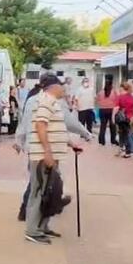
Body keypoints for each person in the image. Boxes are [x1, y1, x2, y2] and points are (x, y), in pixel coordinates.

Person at [14, 73, 92, 222]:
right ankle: (44, 213)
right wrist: (85, 133)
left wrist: (19, 140)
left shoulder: (31, 100)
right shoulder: (50, 101)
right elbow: (66, 122)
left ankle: (32, 212)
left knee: (38, 182)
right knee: (48, 183)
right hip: (44, 148)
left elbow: (25, 123)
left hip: (34, 146)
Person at [24, 75, 82, 244]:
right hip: (43, 157)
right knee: (39, 192)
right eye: (61, 86)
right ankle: (33, 230)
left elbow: (55, 128)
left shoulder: (51, 101)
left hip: (50, 155)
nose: (63, 89)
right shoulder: (46, 101)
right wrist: (47, 152)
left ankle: (42, 227)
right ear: (53, 87)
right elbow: (40, 125)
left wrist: (70, 143)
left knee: (48, 191)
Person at [113, 82, 133, 158]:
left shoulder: (120, 97)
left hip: (121, 118)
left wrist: (113, 117)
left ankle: (123, 149)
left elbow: (116, 108)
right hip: (130, 118)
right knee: (127, 134)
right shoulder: (132, 97)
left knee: (122, 134)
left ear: (122, 88)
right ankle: (126, 150)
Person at [96, 80, 118, 146]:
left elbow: (97, 100)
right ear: (111, 85)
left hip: (102, 110)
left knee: (103, 126)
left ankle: (101, 141)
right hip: (111, 110)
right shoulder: (114, 92)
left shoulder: (100, 92)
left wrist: (102, 104)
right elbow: (117, 100)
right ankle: (113, 141)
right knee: (113, 126)